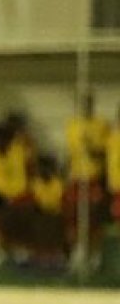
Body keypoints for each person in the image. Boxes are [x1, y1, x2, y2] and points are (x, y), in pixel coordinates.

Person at [62, 93, 110, 272]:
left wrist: (92, 148)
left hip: (94, 176)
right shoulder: (72, 125)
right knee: (74, 217)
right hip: (76, 176)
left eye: (88, 103)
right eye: (81, 103)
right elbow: (70, 152)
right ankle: (77, 252)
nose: (85, 107)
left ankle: (95, 256)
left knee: (94, 217)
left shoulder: (101, 125)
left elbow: (106, 153)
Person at [0, 117, 34, 267]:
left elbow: (30, 168)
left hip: (23, 194)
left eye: (2, 138)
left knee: (23, 212)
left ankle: (21, 250)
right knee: (1, 216)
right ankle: (1, 252)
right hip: (0, 198)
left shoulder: (19, 150)